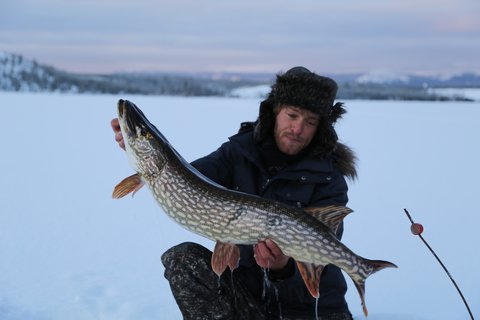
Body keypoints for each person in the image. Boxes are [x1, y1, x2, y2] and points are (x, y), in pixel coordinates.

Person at [111, 66, 357, 320]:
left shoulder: (329, 180)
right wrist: (135, 146)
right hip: (250, 296)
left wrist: (282, 269)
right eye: (292, 115)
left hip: (311, 309)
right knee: (182, 259)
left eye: (310, 122)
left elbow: (323, 256)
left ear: (320, 128)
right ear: (275, 112)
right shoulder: (238, 152)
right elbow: (188, 175)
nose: (297, 128)